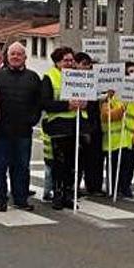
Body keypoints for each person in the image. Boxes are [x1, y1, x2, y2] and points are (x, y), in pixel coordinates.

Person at [0, 41, 42, 212]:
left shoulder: (33, 77)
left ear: (25, 57)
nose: (16, 57)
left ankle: (20, 199)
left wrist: (33, 119)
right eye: (13, 54)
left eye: (19, 54)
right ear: (8, 57)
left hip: (23, 131)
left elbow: (38, 102)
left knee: (21, 167)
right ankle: (0, 199)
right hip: (0, 131)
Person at [42, 47, 88, 209]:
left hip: (77, 125)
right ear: (57, 62)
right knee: (60, 164)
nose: (69, 63)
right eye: (65, 60)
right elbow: (46, 103)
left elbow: (89, 96)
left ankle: (69, 193)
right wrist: (67, 105)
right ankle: (58, 194)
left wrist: (85, 103)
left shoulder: (80, 77)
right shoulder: (50, 77)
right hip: (59, 126)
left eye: (71, 60)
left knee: (74, 164)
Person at [101, 64, 134, 199]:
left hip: (129, 138)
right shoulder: (111, 96)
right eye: (131, 71)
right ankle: (113, 188)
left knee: (128, 166)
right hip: (114, 140)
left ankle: (125, 188)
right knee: (114, 166)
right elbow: (106, 116)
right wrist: (121, 109)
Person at [74, 52, 105, 196]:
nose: (88, 67)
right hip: (79, 123)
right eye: (84, 64)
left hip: (94, 123)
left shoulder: (94, 80)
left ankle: (94, 186)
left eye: (89, 64)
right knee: (78, 159)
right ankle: (74, 187)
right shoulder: (71, 80)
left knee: (95, 157)